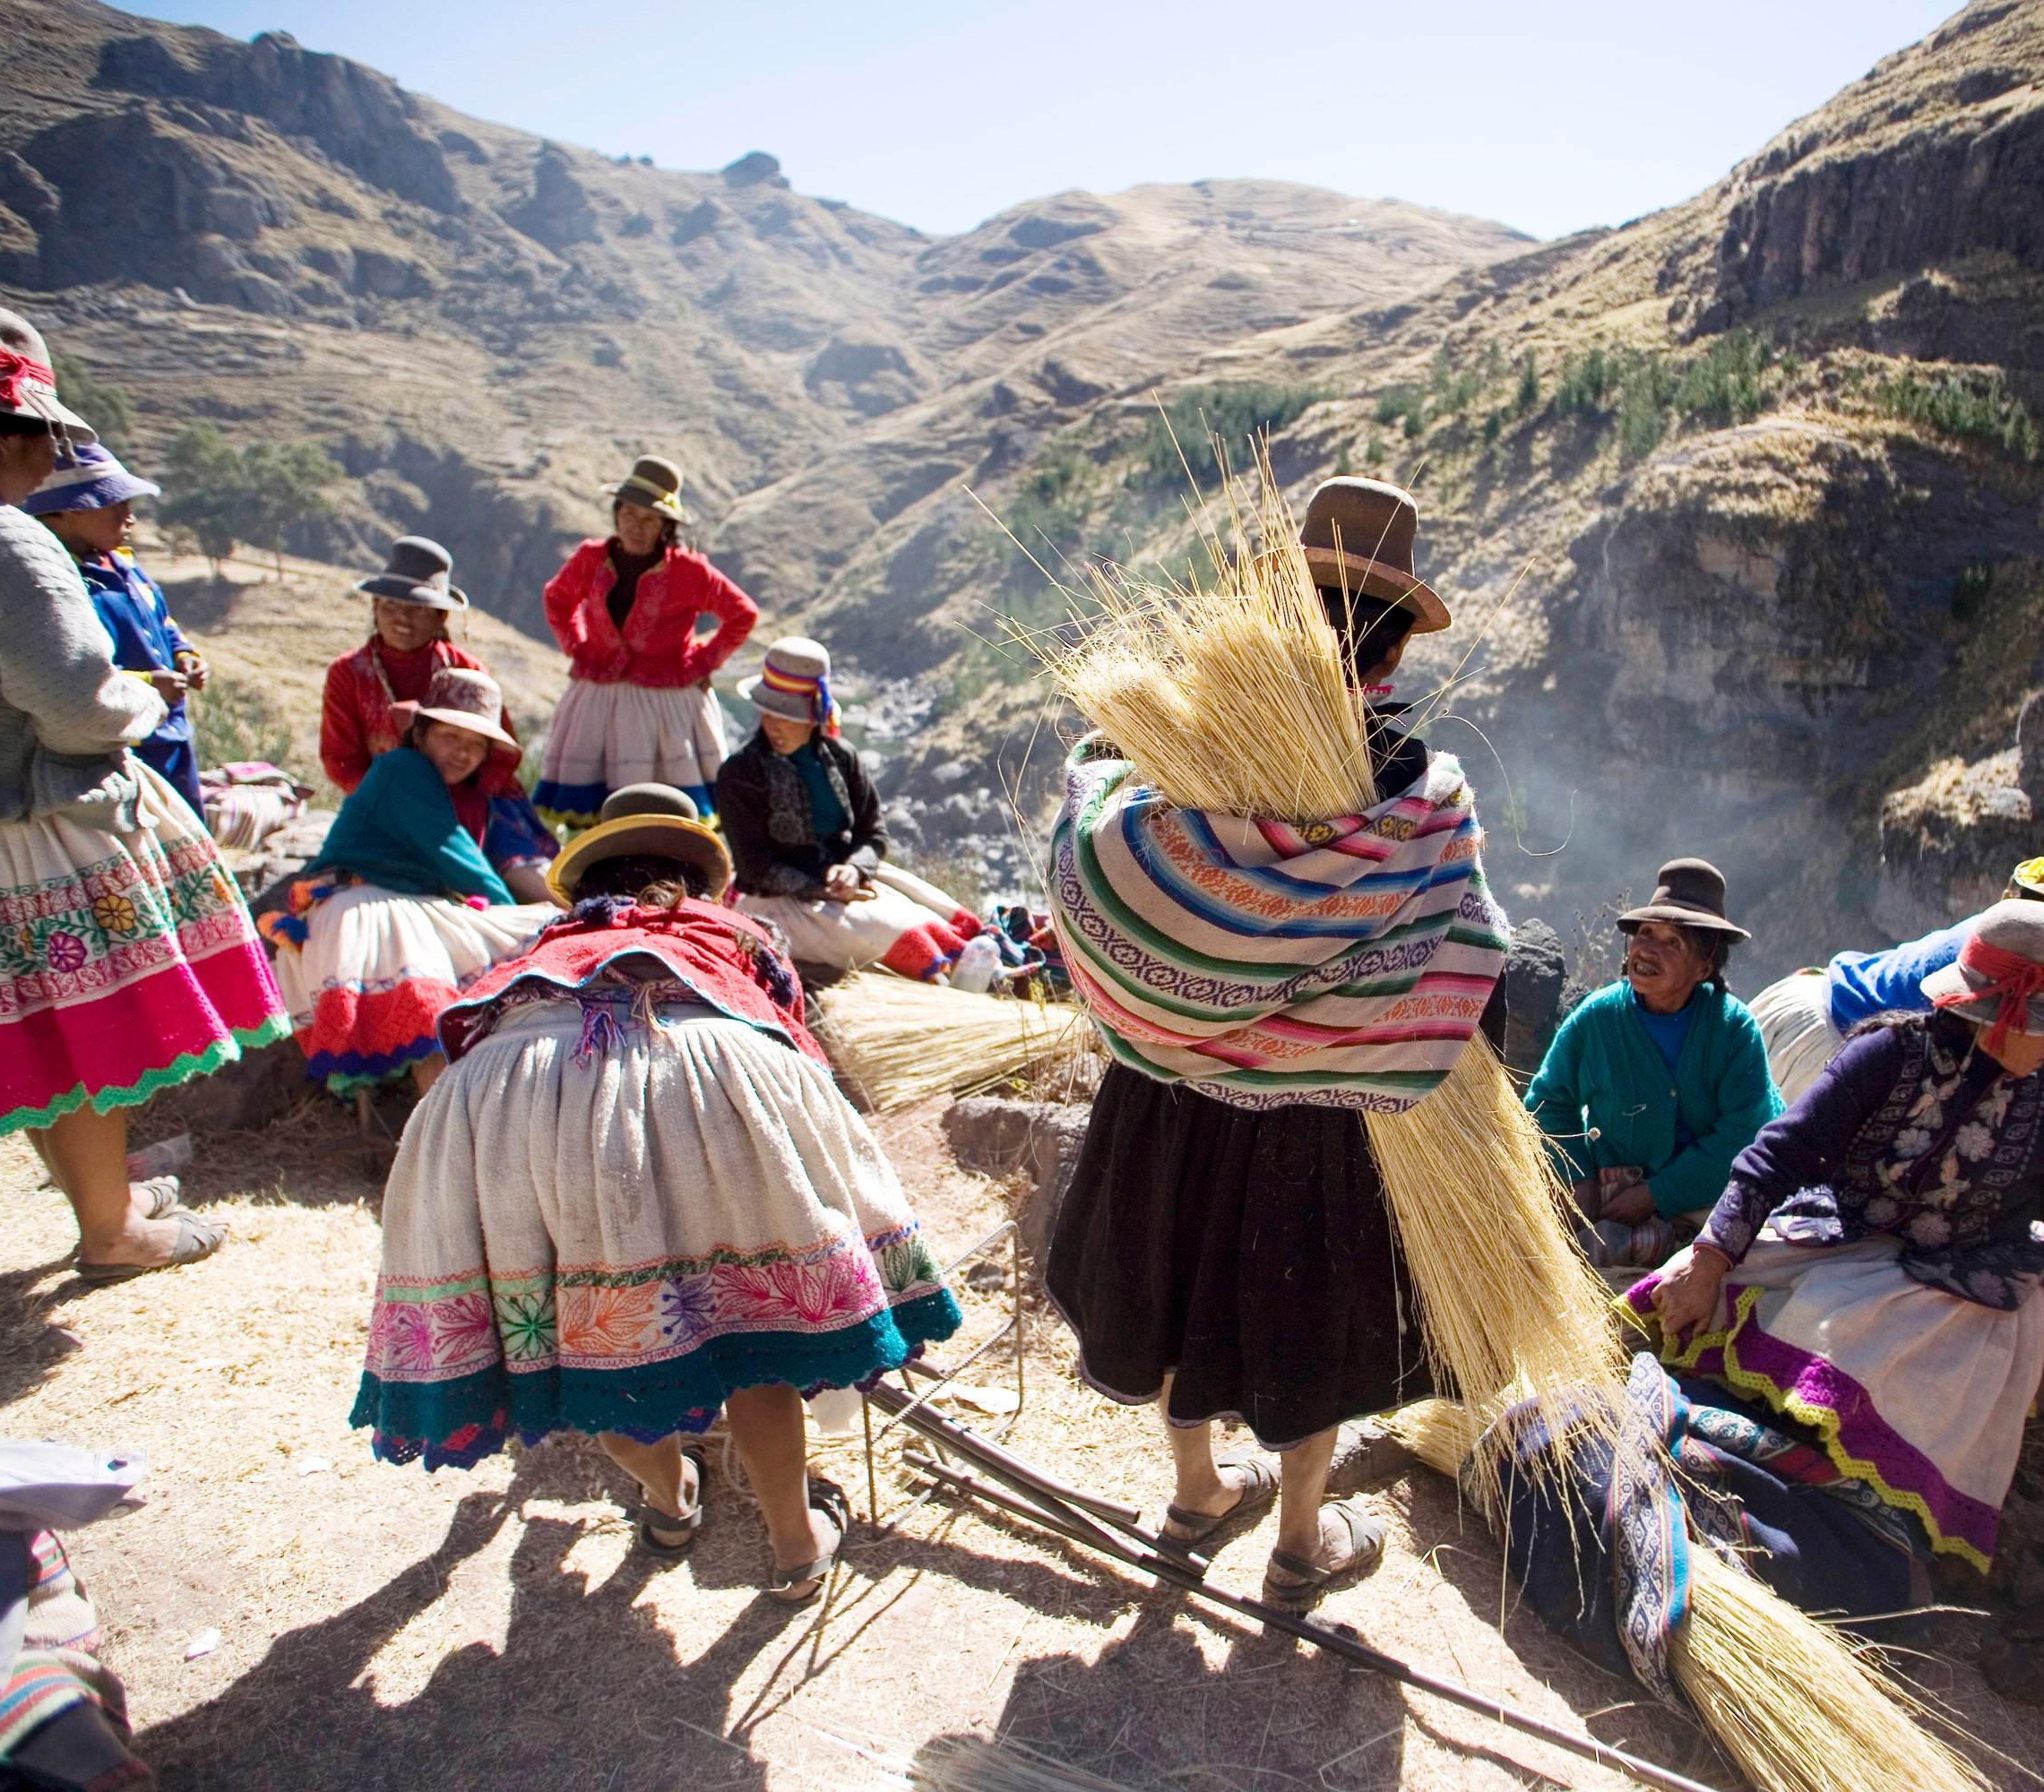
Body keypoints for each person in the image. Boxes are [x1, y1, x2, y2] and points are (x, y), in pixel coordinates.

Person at [1047, 475, 1488, 1609]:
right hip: (1322, 1117)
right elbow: (1464, 953)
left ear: (1274, 608)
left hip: (1173, 1090)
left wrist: (1206, 979)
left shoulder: (1178, 733)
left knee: (1175, 1277)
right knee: (1309, 1314)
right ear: (1390, 657)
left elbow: (1101, 854)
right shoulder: (1419, 783)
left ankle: (1197, 1490)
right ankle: (1300, 1542)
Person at [352, 784, 962, 1599]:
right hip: (706, 1076)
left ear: (592, 880)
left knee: (595, 1346)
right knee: (756, 1334)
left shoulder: (553, 942)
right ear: (698, 879)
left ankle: (671, 1499)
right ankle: (794, 1544)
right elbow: (787, 1027)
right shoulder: (732, 931)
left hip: (520, 1097)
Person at [1638, 900, 2044, 1570]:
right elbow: (1780, 1156)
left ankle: (1840, 1478)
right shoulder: (1887, 1053)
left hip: (1964, 1281)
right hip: (1847, 1234)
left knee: (1896, 1345)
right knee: (1697, 1296)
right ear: (2004, 1011)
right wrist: (1711, 1259)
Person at [0, 295, 284, 1283]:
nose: (53, 456)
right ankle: (113, 1233)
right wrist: (135, 697)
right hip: (40, 822)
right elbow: (73, 702)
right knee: (83, 1034)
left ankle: (105, 1196)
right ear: (0, 430)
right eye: (47, 432)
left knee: (32, 1030)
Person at [1749, 826, 2044, 1166]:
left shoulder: (2029, 948)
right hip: (1825, 1037)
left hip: (1840, 1020)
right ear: (2043, 908)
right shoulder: (2009, 955)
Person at [264, 666, 559, 1098]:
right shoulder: (403, 769)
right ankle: (445, 1145)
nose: (463, 754)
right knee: (430, 1014)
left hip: (403, 907)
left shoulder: (461, 797)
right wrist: (504, 908)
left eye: (476, 746)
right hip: (363, 909)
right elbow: (459, 862)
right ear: (419, 733)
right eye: (450, 737)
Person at [1527, 859, 1781, 1270]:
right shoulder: (1598, 1019)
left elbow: (1741, 1135)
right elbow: (1549, 1100)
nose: (1647, 950)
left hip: (1715, 1188)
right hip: (1619, 1179)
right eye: (1645, 934)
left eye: (1673, 943)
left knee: (1739, 1260)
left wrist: (1657, 1195)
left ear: (1704, 968)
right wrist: (1579, 1176)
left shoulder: (1733, 1029)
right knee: (1565, 1250)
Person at [717, 636, 983, 982]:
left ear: (814, 715)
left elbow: (873, 833)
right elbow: (753, 865)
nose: (774, 724)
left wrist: (855, 870)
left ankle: (981, 967)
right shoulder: (740, 773)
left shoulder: (843, 759)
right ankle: (951, 979)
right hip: (775, 899)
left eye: (788, 715)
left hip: (844, 879)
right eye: (769, 712)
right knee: (896, 929)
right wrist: (818, 887)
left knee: (935, 911)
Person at [319, 536, 558, 902]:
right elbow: (341, 759)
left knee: (521, 870)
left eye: (417, 609)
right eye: (392, 606)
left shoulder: (466, 669)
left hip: (476, 795)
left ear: (439, 617)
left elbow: (500, 753)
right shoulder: (348, 673)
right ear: (376, 608)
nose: (402, 618)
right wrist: (400, 802)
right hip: (389, 800)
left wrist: (463, 797)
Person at [532, 455, 758, 824]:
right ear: (617, 513)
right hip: (598, 697)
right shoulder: (591, 559)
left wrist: (700, 662)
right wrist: (577, 647)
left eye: (649, 518)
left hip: (666, 706)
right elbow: (557, 598)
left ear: (665, 526)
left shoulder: (689, 571)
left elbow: (741, 614)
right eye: (629, 514)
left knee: (663, 813)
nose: (636, 526)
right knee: (592, 810)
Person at [22, 441, 206, 821]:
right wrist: (146, 685)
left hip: (171, 736)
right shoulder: (59, 584)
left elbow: (163, 621)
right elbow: (66, 675)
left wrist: (186, 655)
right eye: (114, 505)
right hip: (120, 749)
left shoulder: (125, 566)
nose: (130, 518)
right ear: (64, 512)